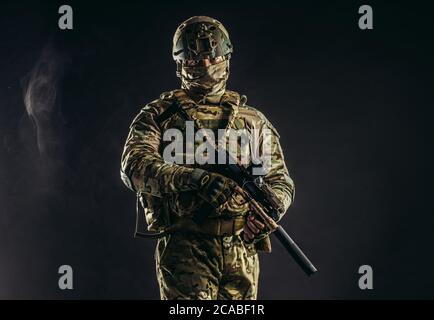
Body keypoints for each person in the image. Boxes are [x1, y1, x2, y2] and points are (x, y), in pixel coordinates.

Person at [120, 16, 294, 300]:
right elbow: (133, 167)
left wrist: (271, 210)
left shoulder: (252, 121)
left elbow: (279, 180)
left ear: (225, 57)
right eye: (194, 61)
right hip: (186, 247)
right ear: (180, 64)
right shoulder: (159, 115)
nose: (205, 67)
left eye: (212, 58)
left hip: (241, 250)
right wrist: (195, 179)